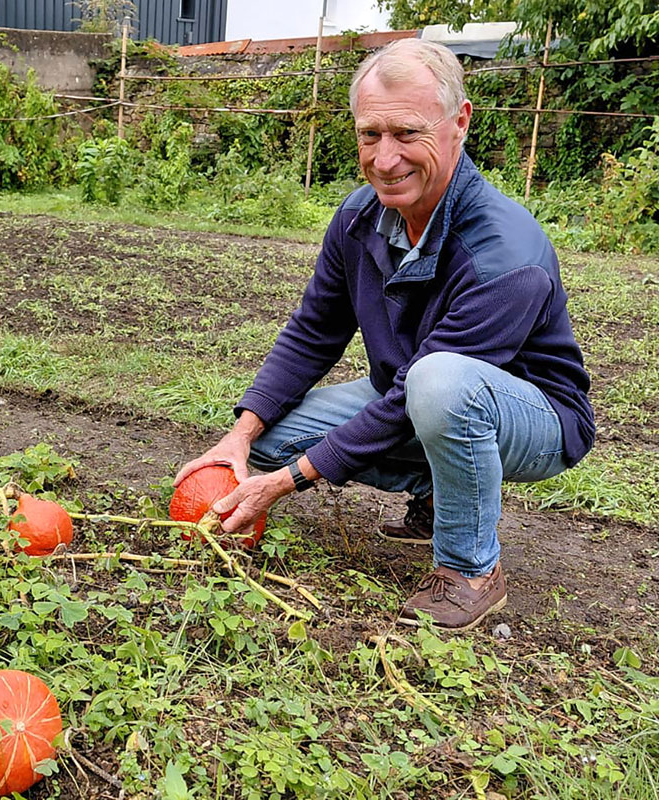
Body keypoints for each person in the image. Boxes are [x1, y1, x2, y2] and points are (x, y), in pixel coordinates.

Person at [174, 38, 594, 632]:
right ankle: (441, 490)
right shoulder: (359, 217)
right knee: (272, 440)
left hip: (535, 416)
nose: (385, 157)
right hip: (413, 393)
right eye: (370, 134)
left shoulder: (505, 253)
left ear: (459, 122)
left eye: (407, 133)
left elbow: (425, 391)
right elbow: (314, 330)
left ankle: (471, 570)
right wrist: (239, 437)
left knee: (439, 384)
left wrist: (290, 483)